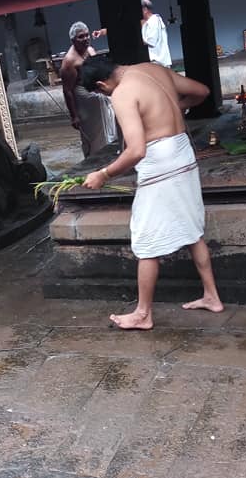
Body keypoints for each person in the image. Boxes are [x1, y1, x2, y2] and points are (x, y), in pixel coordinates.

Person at [79, 55, 223, 329]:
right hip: (182, 151)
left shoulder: (121, 94)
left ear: (101, 84)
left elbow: (136, 150)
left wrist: (103, 174)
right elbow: (201, 92)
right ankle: (211, 296)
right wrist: (172, 110)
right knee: (193, 230)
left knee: (145, 238)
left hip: (160, 161)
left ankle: (143, 313)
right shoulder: (154, 69)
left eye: (101, 92)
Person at [60, 21, 117, 157]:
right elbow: (67, 90)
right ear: (73, 40)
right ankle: (96, 159)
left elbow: (99, 71)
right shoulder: (69, 61)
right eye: (81, 37)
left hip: (97, 90)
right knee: (93, 137)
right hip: (84, 100)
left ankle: (111, 155)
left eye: (86, 35)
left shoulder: (90, 51)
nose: (85, 39)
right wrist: (74, 116)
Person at [141, 0, 172, 67]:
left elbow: (151, 41)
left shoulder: (154, 20)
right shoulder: (150, 22)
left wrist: (142, 27)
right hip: (158, 62)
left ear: (145, 9)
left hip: (159, 62)